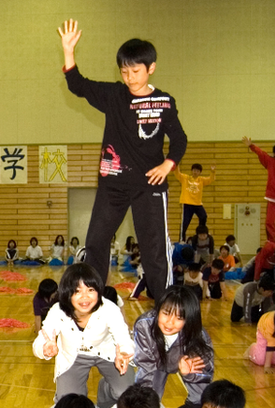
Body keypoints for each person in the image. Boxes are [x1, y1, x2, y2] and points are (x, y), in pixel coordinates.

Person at [59, 20, 187, 302]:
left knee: (153, 249)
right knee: (95, 242)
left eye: (136, 71)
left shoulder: (164, 102)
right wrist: (68, 51)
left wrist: (168, 164)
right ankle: (90, 301)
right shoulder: (115, 96)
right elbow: (78, 85)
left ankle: (164, 306)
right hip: (113, 184)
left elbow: (179, 139)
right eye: (124, 71)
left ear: (151, 68)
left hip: (149, 186)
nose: (129, 77)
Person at [33, 263, 134, 408]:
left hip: (109, 354)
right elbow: (40, 341)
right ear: (67, 293)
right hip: (73, 357)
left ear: (99, 291)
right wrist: (44, 348)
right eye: (77, 291)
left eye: (91, 290)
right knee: (69, 405)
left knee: (125, 394)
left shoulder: (109, 309)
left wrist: (124, 352)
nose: (85, 297)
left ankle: (105, 393)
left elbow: (123, 336)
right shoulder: (58, 311)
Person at [133, 286, 214, 405]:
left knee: (201, 397)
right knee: (146, 397)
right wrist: (146, 404)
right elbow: (146, 368)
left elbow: (207, 374)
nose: (170, 322)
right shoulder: (144, 326)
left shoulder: (198, 336)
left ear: (188, 319)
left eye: (179, 318)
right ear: (158, 309)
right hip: (155, 364)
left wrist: (189, 374)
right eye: (166, 313)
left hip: (185, 363)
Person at [243, 136, 275, 244]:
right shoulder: (270, 162)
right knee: (269, 221)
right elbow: (261, 153)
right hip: (272, 196)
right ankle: (271, 241)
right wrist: (251, 145)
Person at [175, 163, 215, 242]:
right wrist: (176, 166)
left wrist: (212, 172)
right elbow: (177, 174)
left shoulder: (201, 180)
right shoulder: (185, 178)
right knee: (185, 222)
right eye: (194, 170)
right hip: (187, 203)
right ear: (191, 171)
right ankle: (182, 239)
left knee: (203, 216)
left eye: (197, 171)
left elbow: (211, 179)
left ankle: (201, 233)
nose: (195, 172)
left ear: (200, 172)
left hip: (197, 204)